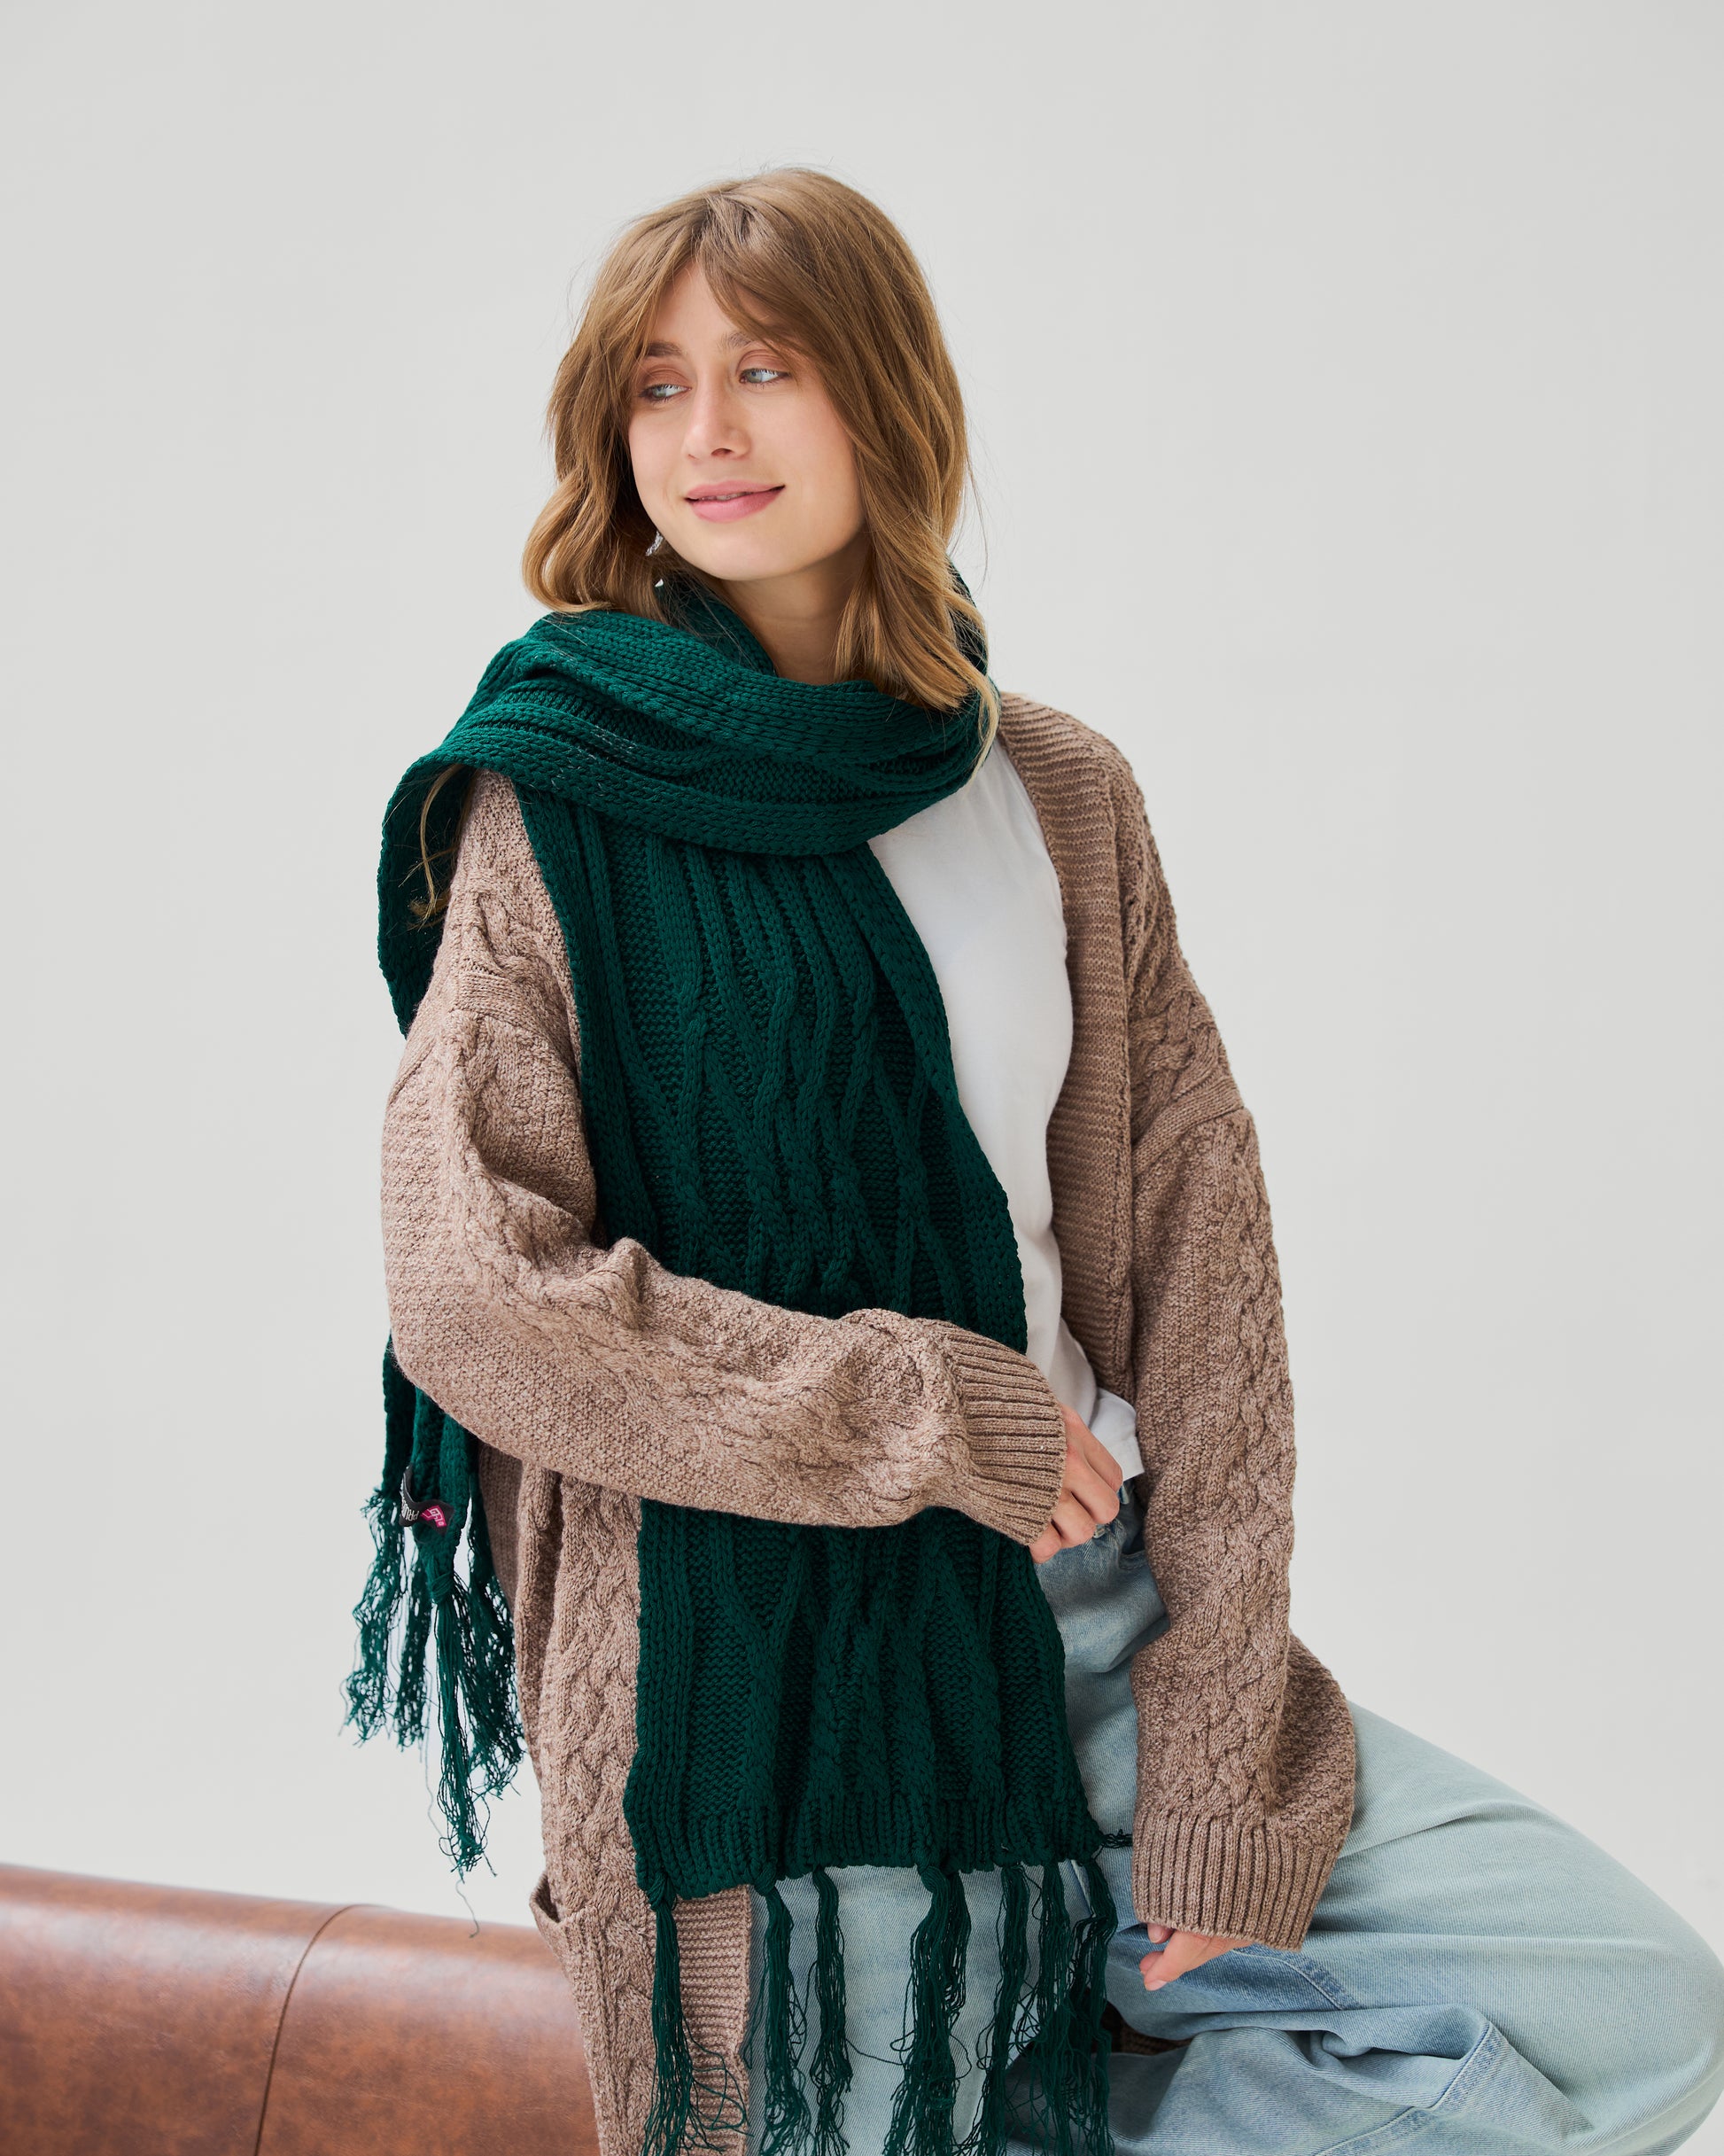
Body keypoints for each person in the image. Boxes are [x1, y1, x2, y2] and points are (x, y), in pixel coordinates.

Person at [358, 168, 1724, 2156]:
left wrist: (1218, 1741)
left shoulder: (1053, 792)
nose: (707, 430)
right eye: (656, 385)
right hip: (765, 1682)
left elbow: (1206, 1270)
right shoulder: (556, 803)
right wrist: (925, 1407)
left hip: (1085, 1617)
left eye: (766, 367)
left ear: (886, 398)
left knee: (1628, 2006)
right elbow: (473, 1292)